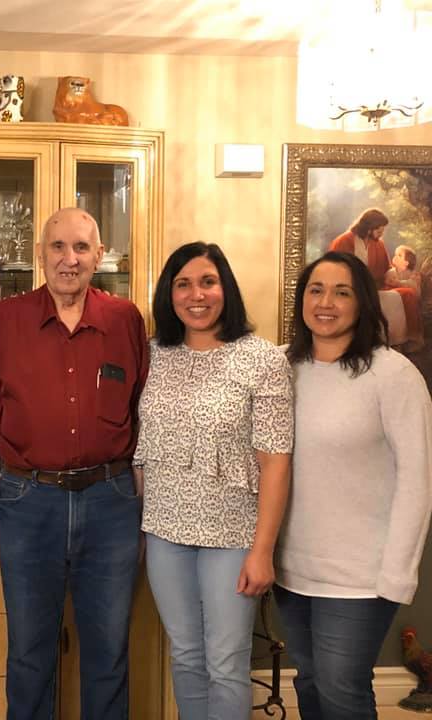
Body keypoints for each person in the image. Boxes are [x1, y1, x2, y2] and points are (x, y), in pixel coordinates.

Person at [0, 207, 147, 720]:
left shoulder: (125, 320)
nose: (68, 259)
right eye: (57, 247)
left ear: (99, 256)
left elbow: (142, 417)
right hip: (27, 502)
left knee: (108, 653)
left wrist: (141, 509)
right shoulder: (6, 319)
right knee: (29, 654)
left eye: (81, 247)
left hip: (111, 502)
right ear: (40, 255)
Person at [134, 241, 293, 720]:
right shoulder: (153, 355)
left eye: (207, 282)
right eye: (183, 284)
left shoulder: (262, 359)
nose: (196, 295)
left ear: (226, 289)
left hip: (232, 536)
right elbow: (141, 449)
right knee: (185, 654)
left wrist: (262, 551)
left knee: (225, 663)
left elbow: (276, 461)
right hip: (164, 532)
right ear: (169, 294)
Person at [277, 251, 432, 720]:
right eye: (316, 290)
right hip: (290, 569)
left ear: (363, 302)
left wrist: (396, 575)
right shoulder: (280, 366)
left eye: (341, 292)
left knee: (341, 691)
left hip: (361, 576)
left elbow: (417, 481)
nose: (326, 302)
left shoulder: (393, 375)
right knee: (309, 682)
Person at [329, 208, 391, 287]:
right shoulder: (343, 241)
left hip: (372, 288)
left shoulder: (379, 244)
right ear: (369, 229)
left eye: (382, 232)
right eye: (379, 232)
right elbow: (334, 269)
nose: (381, 234)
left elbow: (386, 269)